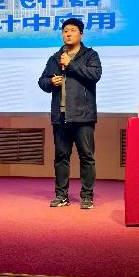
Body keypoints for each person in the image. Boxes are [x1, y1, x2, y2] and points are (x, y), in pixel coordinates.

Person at [38, 18, 102, 209]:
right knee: (61, 157)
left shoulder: (90, 55)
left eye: (73, 30)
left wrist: (71, 64)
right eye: (65, 30)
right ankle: (61, 195)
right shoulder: (55, 57)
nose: (68, 33)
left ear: (81, 34)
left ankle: (87, 196)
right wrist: (51, 82)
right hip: (61, 116)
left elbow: (95, 75)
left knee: (87, 157)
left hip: (83, 116)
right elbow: (42, 81)